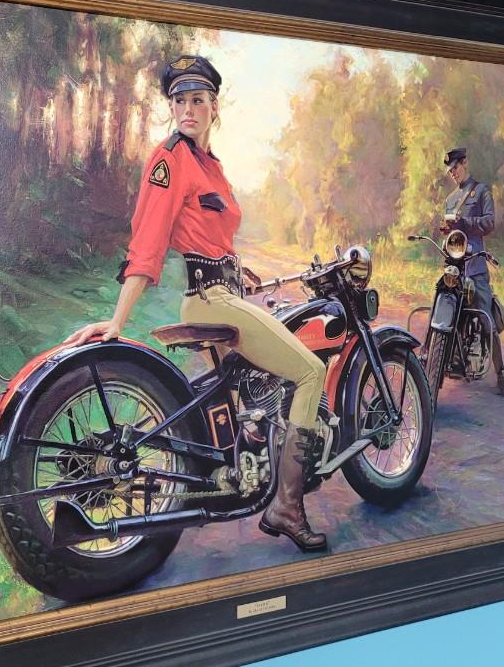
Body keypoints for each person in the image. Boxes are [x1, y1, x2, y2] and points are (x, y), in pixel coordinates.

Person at [64, 54, 330, 551]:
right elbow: (149, 239)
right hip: (211, 301)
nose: (188, 109)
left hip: (225, 292)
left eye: (198, 100)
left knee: (256, 389)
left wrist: (238, 271)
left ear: (214, 107)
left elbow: (211, 235)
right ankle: (287, 507)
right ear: (172, 108)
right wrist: (118, 319)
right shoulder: (171, 160)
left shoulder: (212, 166)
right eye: (180, 101)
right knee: (311, 372)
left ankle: (245, 468)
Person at [441, 147, 504, 397]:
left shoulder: (481, 191)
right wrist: (446, 230)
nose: (453, 173)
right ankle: (450, 362)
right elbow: (452, 234)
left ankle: (501, 374)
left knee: (485, 320)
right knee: (448, 313)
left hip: (476, 267)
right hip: (456, 268)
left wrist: (464, 223)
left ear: (465, 163)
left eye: (455, 168)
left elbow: (489, 223)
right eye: (450, 171)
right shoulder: (450, 199)